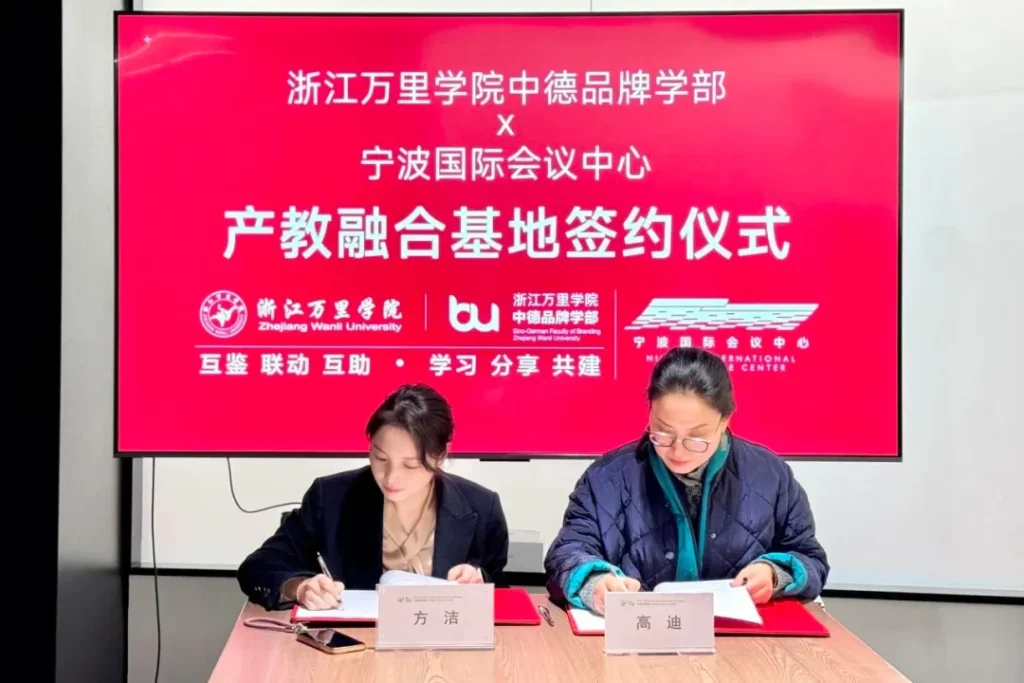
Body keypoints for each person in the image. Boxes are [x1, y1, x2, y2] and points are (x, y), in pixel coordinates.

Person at [544, 347, 829, 615]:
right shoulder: (606, 478)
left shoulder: (769, 474)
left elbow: (809, 558)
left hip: (741, 641)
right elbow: (567, 552)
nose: (678, 452)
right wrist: (594, 582)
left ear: (725, 420)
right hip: (638, 634)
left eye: (696, 437)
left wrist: (774, 574)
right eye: (662, 432)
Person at [238, 383, 509, 611]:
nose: (390, 477)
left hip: (444, 645)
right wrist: (299, 587)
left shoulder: (481, 507)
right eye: (380, 458)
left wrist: (478, 581)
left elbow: (498, 582)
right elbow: (259, 565)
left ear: (441, 455)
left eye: (410, 465)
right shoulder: (331, 498)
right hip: (356, 644)